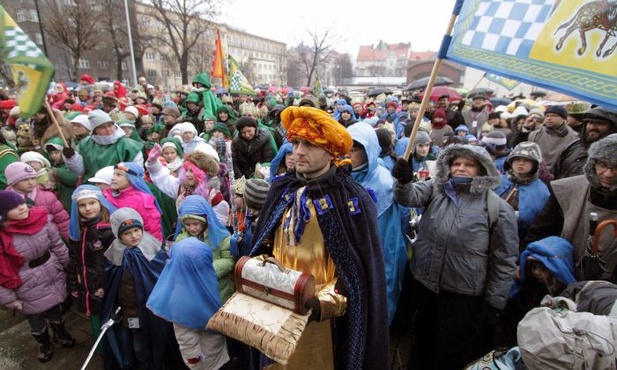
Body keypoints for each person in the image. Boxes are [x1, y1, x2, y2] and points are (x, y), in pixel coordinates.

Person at [249, 106, 389, 369]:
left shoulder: (352, 198)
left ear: (331, 152)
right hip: (275, 310)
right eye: (296, 143)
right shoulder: (282, 189)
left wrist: (322, 302)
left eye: (310, 144)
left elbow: (359, 273)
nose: (298, 152)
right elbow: (263, 244)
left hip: (322, 323)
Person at [391, 144, 518, 370]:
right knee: (422, 340)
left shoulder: (497, 208)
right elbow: (408, 197)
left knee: (451, 350)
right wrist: (403, 180)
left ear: (481, 169)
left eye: (469, 165)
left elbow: (505, 260)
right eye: (456, 163)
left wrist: (494, 302)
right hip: (426, 285)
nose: (461, 168)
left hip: (463, 295)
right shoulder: (437, 189)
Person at [101, 207, 184, 370]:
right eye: (127, 233)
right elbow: (111, 282)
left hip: (153, 309)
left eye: (136, 230)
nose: (133, 236)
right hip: (130, 311)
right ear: (118, 235)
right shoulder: (115, 253)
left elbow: (161, 276)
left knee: (159, 339)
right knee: (139, 345)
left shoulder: (152, 247)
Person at [525, 134, 617, 280]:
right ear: (593, 163)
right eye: (603, 164)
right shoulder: (568, 189)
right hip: (559, 273)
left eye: (616, 167)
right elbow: (541, 230)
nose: (608, 174)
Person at [0, 190, 75, 362]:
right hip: (25, 282)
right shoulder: (3, 236)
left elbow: (57, 245)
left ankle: (60, 333)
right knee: (34, 314)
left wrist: (68, 267)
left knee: (56, 306)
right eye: (14, 206)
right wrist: (8, 299)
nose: (22, 208)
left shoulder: (42, 220)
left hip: (51, 271)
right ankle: (44, 343)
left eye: (22, 203)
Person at [347, 122, 407, 325]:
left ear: (369, 151)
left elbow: (388, 247)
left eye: (355, 149)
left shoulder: (383, 184)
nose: (348, 154)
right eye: (345, 147)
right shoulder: (341, 177)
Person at [147, 237, 230, 370]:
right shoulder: (203, 282)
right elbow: (186, 335)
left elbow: (184, 335)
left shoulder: (181, 292)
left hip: (211, 349)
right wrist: (194, 359)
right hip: (205, 357)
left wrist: (192, 357)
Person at [66, 185, 116, 342]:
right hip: (87, 287)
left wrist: (107, 285)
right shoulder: (77, 231)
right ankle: (101, 346)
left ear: (100, 202)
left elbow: (115, 262)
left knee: (110, 319)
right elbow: (73, 260)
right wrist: (73, 285)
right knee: (95, 319)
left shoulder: (107, 230)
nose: (88, 208)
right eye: (82, 205)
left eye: (92, 203)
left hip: (105, 286)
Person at [174, 195, 236, 304]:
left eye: (196, 224)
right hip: (194, 291)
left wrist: (207, 269)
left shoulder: (221, 237)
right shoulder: (181, 239)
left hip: (218, 289)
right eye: (187, 224)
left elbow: (229, 259)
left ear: (205, 220)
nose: (192, 228)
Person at [495, 142, 550, 251]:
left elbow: (540, 226)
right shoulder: (497, 182)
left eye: (526, 160)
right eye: (517, 159)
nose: (521, 163)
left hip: (520, 244)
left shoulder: (542, 191)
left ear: (534, 164)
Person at [62, 109, 144, 183]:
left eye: (109, 125)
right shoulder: (85, 144)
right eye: (102, 127)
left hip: (120, 186)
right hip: (92, 185)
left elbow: (137, 170)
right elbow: (80, 171)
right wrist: (72, 158)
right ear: (95, 130)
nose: (108, 129)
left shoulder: (129, 145)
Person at [4, 162, 70, 241]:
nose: (31, 183)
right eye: (25, 180)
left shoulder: (47, 196)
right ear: (13, 182)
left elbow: (62, 221)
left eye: (33, 178)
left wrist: (68, 239)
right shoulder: (5, 202)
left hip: (51, 241)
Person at [103, 162, 163, 241]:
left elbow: (152, 229)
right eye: (113, 174)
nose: (113, 178)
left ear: (131, 178)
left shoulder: (142, 200)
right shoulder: (106, 195)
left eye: (118, 175)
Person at [529, 105, 587, 180]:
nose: (549, 118)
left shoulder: (574, 138)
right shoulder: (535, 134)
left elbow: (569, 164)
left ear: (564, 119)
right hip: (535, 177)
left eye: (554, 116)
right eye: (547, 116)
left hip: (558, 179)